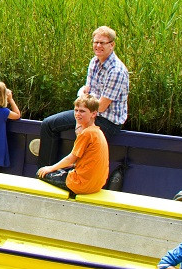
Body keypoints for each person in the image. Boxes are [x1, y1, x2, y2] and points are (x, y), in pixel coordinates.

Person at [35, 26, 128, 168]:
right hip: (88, 111)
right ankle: (44, 172)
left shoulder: (117, 71)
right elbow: (86, 96)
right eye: (95, 42)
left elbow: (101, 106)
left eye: (102, 43)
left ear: (112, 45)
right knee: (48, 124)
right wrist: (80, 119)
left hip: (108, 121)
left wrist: (81, 123)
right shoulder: (94, 62)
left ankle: (75, 176)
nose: (98, 46)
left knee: (85, 138)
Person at [36, 95, 109, 196]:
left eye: (82, 111)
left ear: (93, 114)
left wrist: (50, 168)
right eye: (76, 110)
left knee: (41, 173)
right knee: (63, 168)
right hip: (97, 184)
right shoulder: (98, 132)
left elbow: (71, 158)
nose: (77, 114)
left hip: (82, 185)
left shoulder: (86, 133)